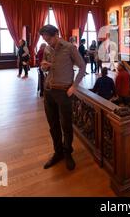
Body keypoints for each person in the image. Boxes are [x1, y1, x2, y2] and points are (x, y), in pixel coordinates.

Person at [40, 25, 86, 171]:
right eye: (45, 40)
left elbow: (82, 66)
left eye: (49, 39)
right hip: (48, 91)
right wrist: (44, 67)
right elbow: (43, 66)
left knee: (66, 125)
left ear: (57, 34)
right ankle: (58, 152)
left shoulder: (69, 48)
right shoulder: (47, 48)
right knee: (53, 125)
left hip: (64, 92)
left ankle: (67, 152)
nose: (48, 42)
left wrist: (74, 86)